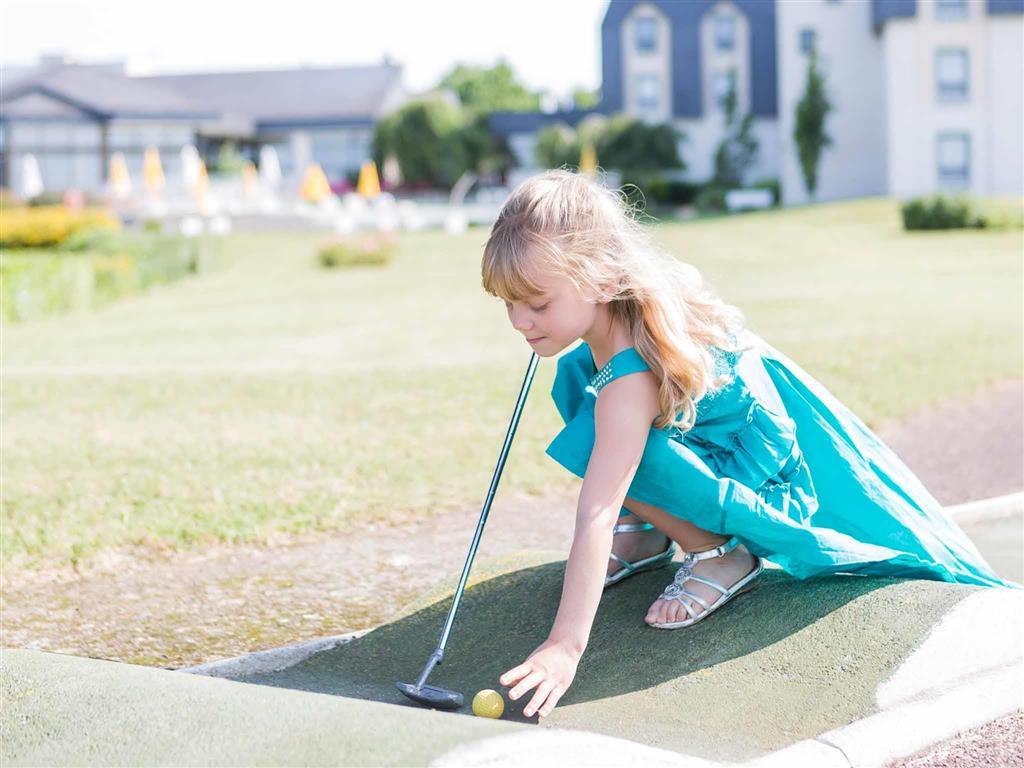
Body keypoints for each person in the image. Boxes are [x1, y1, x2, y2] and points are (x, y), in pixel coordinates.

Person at [479, 169, 1019, 721]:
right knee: (577, 383)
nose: (519, 321)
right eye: (508, 303)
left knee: (600, 437)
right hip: (702, 447)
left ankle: (719, 555)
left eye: (537, 304)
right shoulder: (611, 323)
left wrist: (565, 647)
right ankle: (645, 534)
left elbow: (596, 510)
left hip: (753, 482)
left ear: (602, 281)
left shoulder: (627, 380)